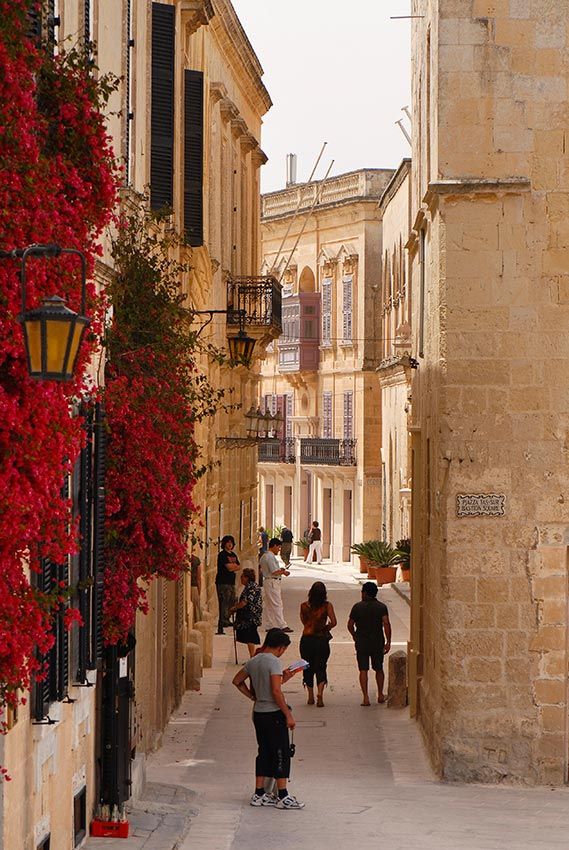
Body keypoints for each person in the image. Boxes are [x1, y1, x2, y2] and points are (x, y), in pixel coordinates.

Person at [232, 628, 305, 809]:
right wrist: (288, 715)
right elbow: (275, 691)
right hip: (274, 714)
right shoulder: (274, 663)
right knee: (281, 752)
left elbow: (237, 681)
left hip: (259, 712)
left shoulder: (254, 661)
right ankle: (282, 795)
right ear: (280, 647)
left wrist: (252, 696)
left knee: (263, 751)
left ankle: (259, 793)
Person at [347, 581, 392, 706]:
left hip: (361, 642)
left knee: (363, 669)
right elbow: (386, 624)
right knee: (379, 668)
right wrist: (388, 641)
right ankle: (380, 694)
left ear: (365, 593)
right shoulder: (381, 607)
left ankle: (365, 697)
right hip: (377, 642)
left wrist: (355, 636)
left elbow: (350, 625)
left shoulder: (357, 607)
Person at [299, 581, 337, 707]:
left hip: (307, 640)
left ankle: (310, 696)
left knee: (307, 667)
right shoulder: (327, 605)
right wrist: (326, 628)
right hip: (321, 640)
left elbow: (304, 622)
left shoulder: (303, 606)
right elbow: (334, 622)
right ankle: (320, 693)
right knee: (321, 666)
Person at [260, 538, 293, 633]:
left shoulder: (264, 556)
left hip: (268, 581)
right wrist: (283, 572)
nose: (279, 549)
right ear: (274, 546)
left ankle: (269, 625)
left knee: (269, 605)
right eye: (278, 547)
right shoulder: (270, 557)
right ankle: (282, 625)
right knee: (277, 603)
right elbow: (274, 571)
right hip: (272, 582)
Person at [230, 568, 263, 657]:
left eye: (242, 577)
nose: (241, 579)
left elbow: (244, 602)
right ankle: (252, 656)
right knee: (249, 636)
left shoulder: (250, 587)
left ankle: (252, 656)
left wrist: (234, 608)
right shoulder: (253, 586)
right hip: (251, 615)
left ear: (247, 577)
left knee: (250, 637)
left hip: (250, 616)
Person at [215, 534, 240, 635]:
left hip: (231, 582)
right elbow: (230, 568)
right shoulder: (222, 555)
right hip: (223, 582)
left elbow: (238, 566)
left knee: (232, 601)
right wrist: (233, 566)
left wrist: (233, 566)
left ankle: (227, 618)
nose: (230, 544)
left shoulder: (233, 555)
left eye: (231, 543)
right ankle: (223, 621)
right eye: (228, 542)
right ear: (224, 544)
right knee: (224, 601)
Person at [190, 552, 203, 623]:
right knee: (196, 610)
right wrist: (199, 591)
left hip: (191, 586)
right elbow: (198, 578)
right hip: (194, 587)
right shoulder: (196, 560)